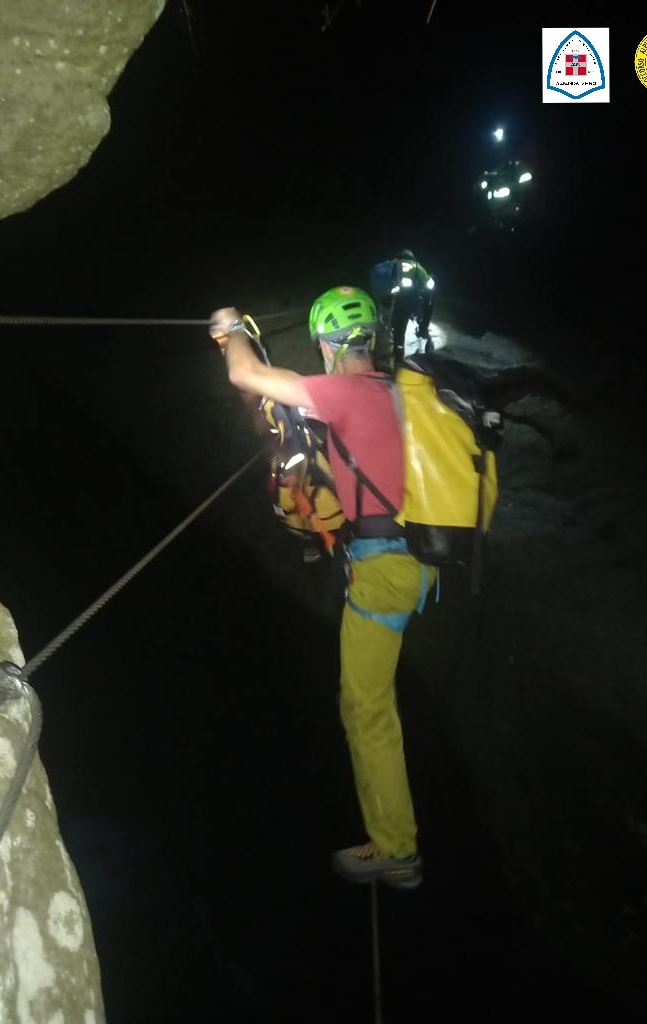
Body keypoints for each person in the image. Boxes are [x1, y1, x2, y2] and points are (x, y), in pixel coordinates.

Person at [209, 286, 437, 890]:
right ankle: (396, 837)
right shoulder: (394, 392)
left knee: (365, 708)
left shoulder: (344, 392)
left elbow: (245, 374)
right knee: (367, 698)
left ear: (331, 345)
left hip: (385, 571)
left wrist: (230, 327)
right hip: (417, 561)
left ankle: (397, 848)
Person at [370, 249, 436, 367]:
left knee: (393, 328)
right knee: (408, 323)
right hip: (411, 301)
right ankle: (418, 346)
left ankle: (391, 355)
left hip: (392, 301)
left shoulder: (393, 264)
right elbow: (429, 284)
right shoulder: (416, 265)